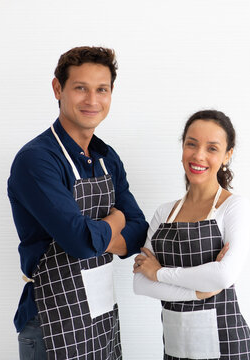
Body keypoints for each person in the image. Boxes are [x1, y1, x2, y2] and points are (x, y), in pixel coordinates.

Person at [8, 46, 148, 360]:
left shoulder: (107, 158)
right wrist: (115, 221)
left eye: (102, 90)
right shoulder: (37, 160)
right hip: (52, 320)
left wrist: (97, 236)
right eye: (80, 88)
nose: (92, 100)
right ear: (58, 88)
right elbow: (81, 242)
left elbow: (139, 230)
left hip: (102, 314)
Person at [133, 110, 250, 359]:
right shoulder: (164, 212)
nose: (199, 155)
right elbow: (140, 284)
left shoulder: (234, 207)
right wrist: (199, 291)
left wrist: (158, 273)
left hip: (227, 346)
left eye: (212, 148)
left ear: (227, 155)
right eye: (192, 144)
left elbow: (222, 276)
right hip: (176, 349)